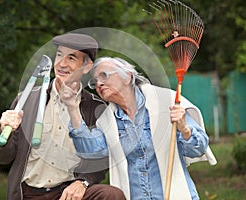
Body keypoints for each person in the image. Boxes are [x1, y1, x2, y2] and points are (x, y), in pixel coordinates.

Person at [59, 57, 217, 200]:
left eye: (104, 76)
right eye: (95, 82)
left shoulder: (165, 101)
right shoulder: (106, 121)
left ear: (127, 77)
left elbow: (198, 148)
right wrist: (72, 107)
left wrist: (185, 129)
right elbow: (93, 151)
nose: (99, 84)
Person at [0, 34, 126, 200]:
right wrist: (5, 131)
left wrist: (83, 182)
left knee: (111, 195)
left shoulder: (96, 108)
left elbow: (100, 159)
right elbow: (3, 158)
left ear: (86, 66)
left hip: (67, 194)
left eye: (71, 58)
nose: (62, 64)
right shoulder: (26, 100)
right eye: (59, 55)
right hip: (28, 194)